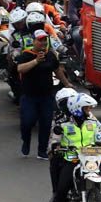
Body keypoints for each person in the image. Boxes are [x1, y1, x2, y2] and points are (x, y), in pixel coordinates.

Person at [50, 92, 101, 202]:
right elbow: (55, 138)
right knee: (62, 189)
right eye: (86, 108)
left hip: (91, 158)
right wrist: (56, 145)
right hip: (72, 159)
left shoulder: (92, 121)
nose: (89, 111)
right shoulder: (63, 123)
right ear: (77, 108)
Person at [15, 29, 73, 159]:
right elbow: (20, 69)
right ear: (34, 41)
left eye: (44, 40)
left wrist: (66, 83)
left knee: (46, 123)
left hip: (46, 95)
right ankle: (26, 141)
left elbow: (57, 69)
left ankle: (42, 151)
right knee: (27, 122)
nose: (43, 43)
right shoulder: (26, 54)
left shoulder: (50, 55)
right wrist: (36, 61)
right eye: (40, 40)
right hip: (29, 96)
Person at [47, 87, 78, 202]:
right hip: (67, 153)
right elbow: (54, 136)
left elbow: (100, 130)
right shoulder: (59, 119)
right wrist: (55, 147)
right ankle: (55, 193)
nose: (68, 105)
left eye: (71, 101)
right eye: (65, 102)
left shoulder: (88, 115)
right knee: (55, 162)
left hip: (87, 152)